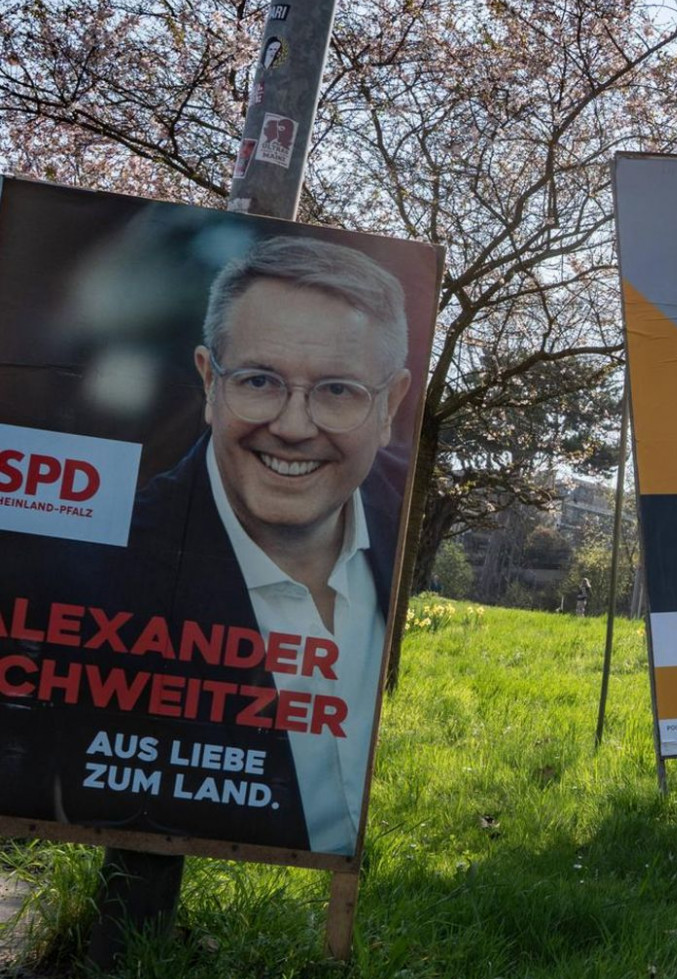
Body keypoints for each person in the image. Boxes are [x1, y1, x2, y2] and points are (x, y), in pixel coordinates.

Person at [54, 236, 414, 854]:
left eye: (337, 391)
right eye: (257, 380)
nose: (294, 426)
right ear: (208, 382)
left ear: (390, 406)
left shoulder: (401, 505)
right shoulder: (104, 569)